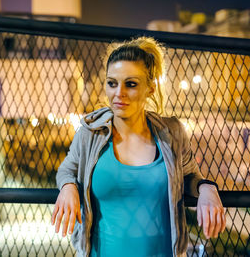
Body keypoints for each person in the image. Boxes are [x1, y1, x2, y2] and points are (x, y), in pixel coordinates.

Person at [51, 37, 225, 257]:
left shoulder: (171, 134)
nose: (118, 93)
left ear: (150, 88)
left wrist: (207, 189)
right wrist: (68, 187)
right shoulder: (91, 133)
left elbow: (190, 176)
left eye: (130, 84)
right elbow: (68, 169)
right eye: (112, 83)